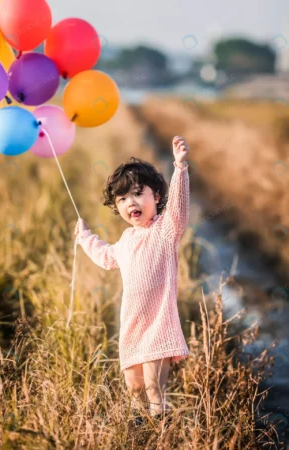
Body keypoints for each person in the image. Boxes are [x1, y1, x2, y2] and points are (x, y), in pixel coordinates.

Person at [74, 136, 190, 424]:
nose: (131, 203)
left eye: (138, 194)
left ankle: (164, 430)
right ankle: (143, 431)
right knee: (134, 387)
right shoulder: (126, 240)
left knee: (153, 388)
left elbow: (179, 208)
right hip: (132, 326)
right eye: (123, 198)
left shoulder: (164, 230)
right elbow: (106, 256)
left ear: (157, 197)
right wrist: (85, 237)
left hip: (158, 325)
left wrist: (180, 167)